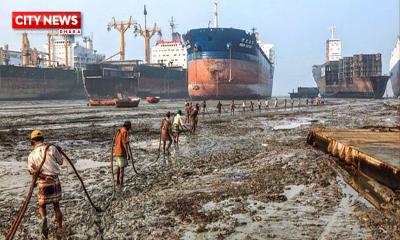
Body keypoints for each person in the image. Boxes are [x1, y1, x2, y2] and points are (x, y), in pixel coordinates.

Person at [27, 129, 64, 238]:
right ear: (43, 139)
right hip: (54, 180)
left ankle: (44, 218)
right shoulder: (51, 148)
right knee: (56, 206)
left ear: (32, 142)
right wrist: (59, 152)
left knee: (42, 205)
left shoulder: (31, 155)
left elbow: (31, 171)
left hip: (43, 182)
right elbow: (61, 162)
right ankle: (60, 227)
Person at [114, 121, 131, 189]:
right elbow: (125, 144)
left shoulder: (119, 130)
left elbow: (115, 140)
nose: (129, 129)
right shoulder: (125, 132)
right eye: (129, 127)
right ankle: (121, 184)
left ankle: (117, 181)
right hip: (121, 152)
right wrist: (127, 153)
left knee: (118, 167)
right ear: (128, 127)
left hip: (117, 151)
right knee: (122, 169)